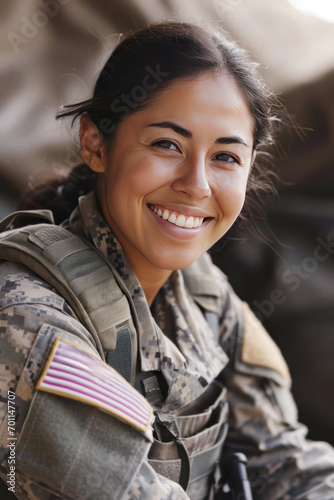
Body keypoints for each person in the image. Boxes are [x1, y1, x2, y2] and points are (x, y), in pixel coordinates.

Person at [0, 21, 333, 500]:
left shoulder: (203, 293)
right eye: (167, 145)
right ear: (96, 144)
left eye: (225, 157)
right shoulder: (25, 314)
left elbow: (283, 461)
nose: (196, 184)